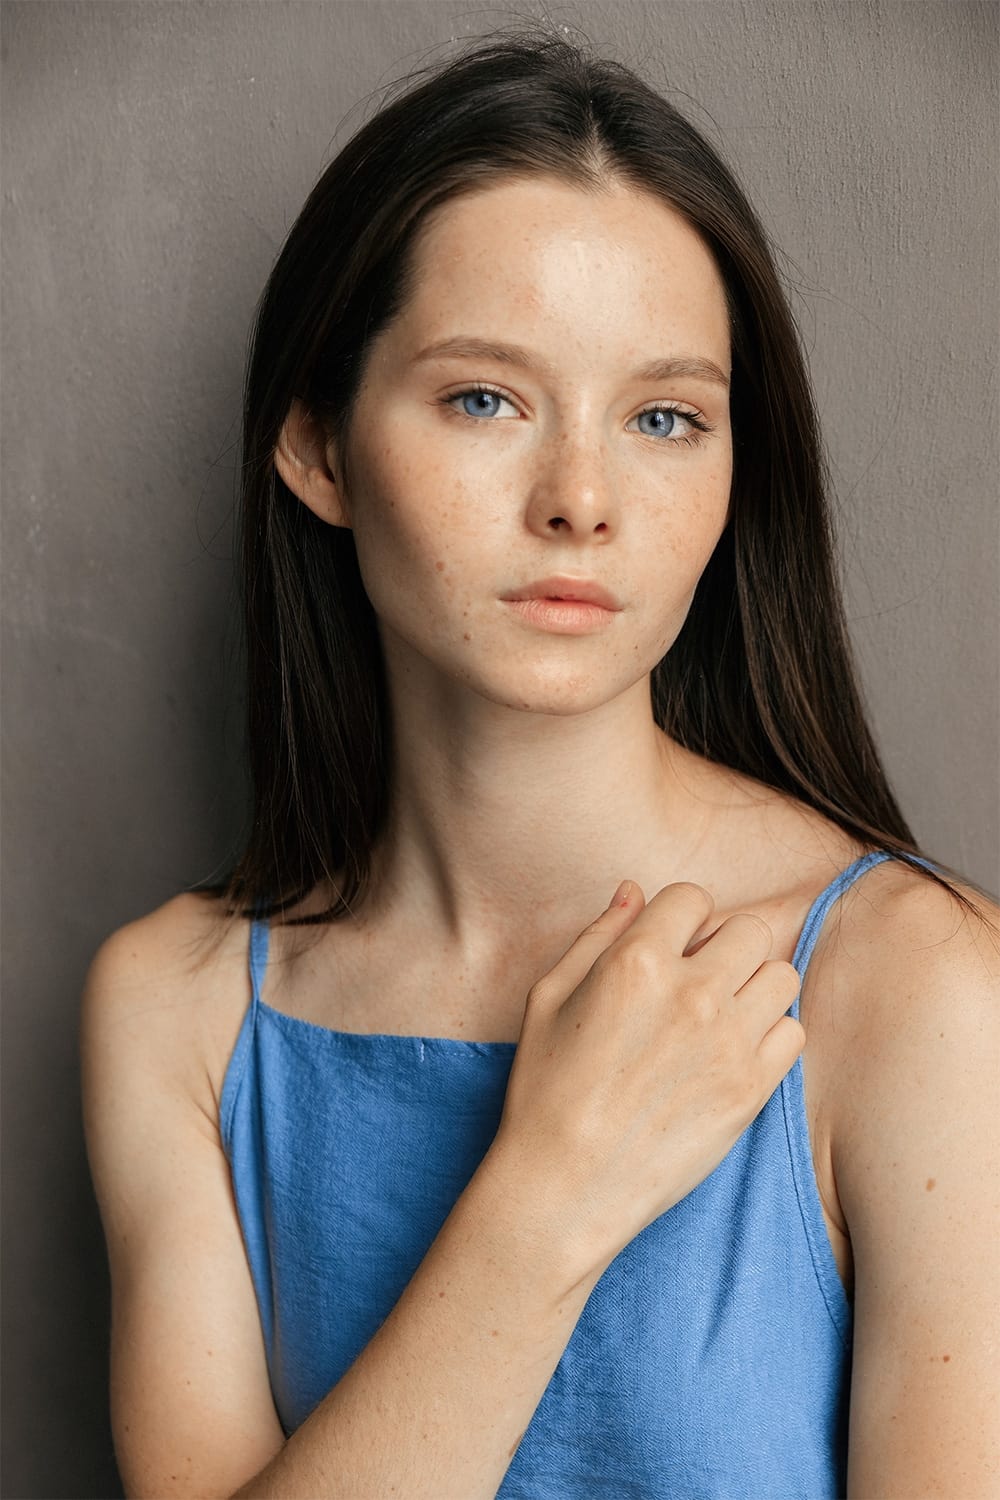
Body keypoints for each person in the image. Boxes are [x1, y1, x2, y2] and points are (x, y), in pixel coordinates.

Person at [80, 27, 999, 1500]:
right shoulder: (176, 1011)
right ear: (318, 447)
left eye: (664, 419)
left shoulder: (916, 988)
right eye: (485, 399)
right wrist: (552, 1192)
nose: (581, 499)